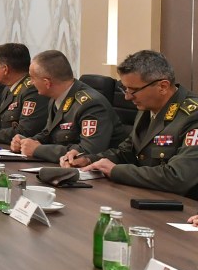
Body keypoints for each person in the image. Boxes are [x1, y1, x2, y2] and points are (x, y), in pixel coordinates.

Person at [65, 51, 198, 199]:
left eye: (134, 90)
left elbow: (178, 177)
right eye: (125, 89)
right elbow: (127, 152)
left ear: (163, 86)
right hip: (149, 195)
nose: (127, 97)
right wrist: (90, 159)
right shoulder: (147, 108)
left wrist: (115, 171)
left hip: (185, 205)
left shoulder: (193, 116)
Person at [11, 50, 125, 162]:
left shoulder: (91, 104)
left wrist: (38, 150)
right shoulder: (56, 97)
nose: (31, 82)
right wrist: (26, 142)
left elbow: (88, 152)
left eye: (32, 78)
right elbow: (48, 133)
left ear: (47, 83)